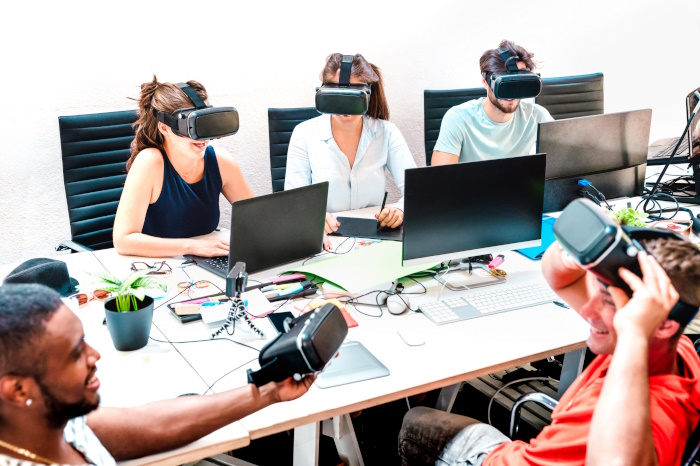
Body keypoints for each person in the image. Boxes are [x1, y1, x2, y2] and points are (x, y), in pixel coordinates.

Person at [399, 237, 700, 465]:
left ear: (656, 322)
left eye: (610, 302)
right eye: (599, 289)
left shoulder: (657, 411)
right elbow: (559, 273)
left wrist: (633, 332)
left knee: (418, 423)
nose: (588, 310)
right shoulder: (674, 347)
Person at [0, 283, 313, 465]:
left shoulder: (57, 421)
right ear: (17, 390)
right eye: (74, 354)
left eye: (85, 341)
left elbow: (151, 425)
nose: (94, 356)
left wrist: (270, 390)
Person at [113, 76, 253, 258]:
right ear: (164, 128)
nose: (202, 138)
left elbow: (257, 218)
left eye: (204, 124)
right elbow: (123, 240)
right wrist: (193, 247)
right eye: (191, 128)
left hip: (204, 265)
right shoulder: (150, 163)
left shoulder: (221, 162)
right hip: (159, 268)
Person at [284, 53, 416, 234]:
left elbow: (417, 193)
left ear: (367, 95)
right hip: (326, 237)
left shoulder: (387, 133)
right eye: (336, 97)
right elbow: (292, 202)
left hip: (374, 236)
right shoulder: (304, 134)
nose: (344, 109)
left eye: (352, 97)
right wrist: (313, 217)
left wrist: (400, 210)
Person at [432, 40, 553, 166]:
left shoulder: (537, 116)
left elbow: (565, 160)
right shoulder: (458, 119)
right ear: (485, 82)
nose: (511, 95)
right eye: (505, 85)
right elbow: (440, 181)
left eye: (516, 83)